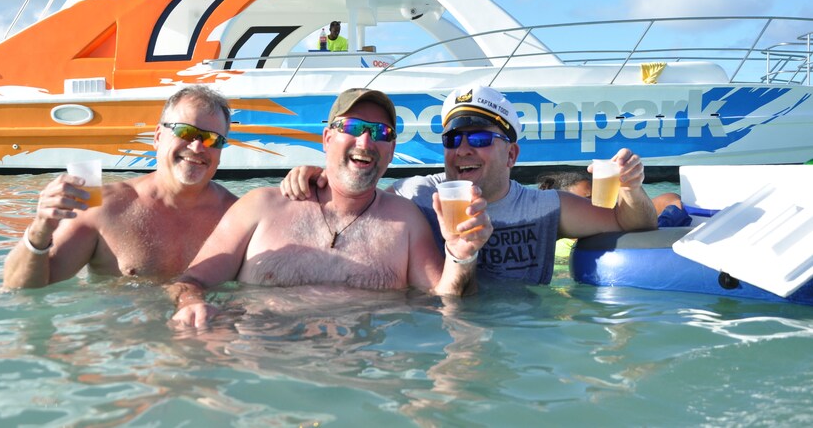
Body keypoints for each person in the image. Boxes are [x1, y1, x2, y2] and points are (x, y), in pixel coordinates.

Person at [169, 88, 492, 327]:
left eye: (380, 133)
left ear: (391, 150)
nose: (365, 142)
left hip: (360, 381)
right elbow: (189, 282)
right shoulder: (261, 206)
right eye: (352, 128)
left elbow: (446, 304)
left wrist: (461, 254)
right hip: (258, 379)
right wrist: (191, 304)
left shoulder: (405, 221)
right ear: (326, 138)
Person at [280, 85, 658, 284]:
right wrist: (320, 176)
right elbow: (355, 197)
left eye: (478, 140)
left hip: (523, 339)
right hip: (435, 333)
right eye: (452, 140)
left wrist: (632, 188)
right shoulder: (417, 195)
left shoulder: (544, 208)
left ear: (511, 155)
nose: (462, 150)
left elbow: (635, 224)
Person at [3, 85, 238, 289]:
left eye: (212, 139)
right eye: (186, 132)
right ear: (158, 136)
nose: (198, 147)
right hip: (120, 338)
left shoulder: (237, 216)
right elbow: (22, 290)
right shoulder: (105, 207)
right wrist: (40, 229)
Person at [537, 170, 691, 227]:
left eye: (597, 195)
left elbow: (670, 198)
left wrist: (663, 223)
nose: (595, 203)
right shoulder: (559, 242)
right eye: (586, 200)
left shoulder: (614, 215)